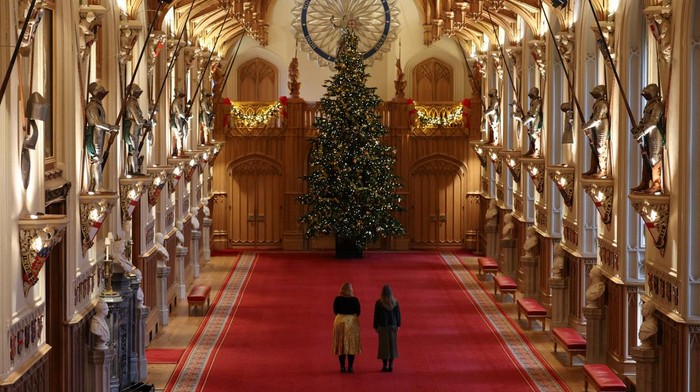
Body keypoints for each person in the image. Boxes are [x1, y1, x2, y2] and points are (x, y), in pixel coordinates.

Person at [332, 282, 361, 373]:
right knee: (351, 344)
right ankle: (351, 366)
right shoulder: (355, 300)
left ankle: (342, 367)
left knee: (341, 344)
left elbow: (335, 311)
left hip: (340, 321)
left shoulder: (337, 299)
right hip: (352, 322)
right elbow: (358, 312)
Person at [581, 85, 609, 177]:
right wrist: (587, 126)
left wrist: (586, 126)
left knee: (600, 147)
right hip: (596, 125)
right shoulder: (598, 103)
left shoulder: (602, 104)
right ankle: (593, 168)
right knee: (593, 144)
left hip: (601, 124)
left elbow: (597, 119)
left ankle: (602, 169)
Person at [373, 284, 401, 372]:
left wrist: (375, 326)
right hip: (393, 326)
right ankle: (391, 365)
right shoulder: (395, 302)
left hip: (382, 326)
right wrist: (398, 324)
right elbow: (398, 315)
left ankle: (384, 366)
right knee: (392, 346)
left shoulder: (379, 303)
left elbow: (376, 316)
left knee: (383, 347)